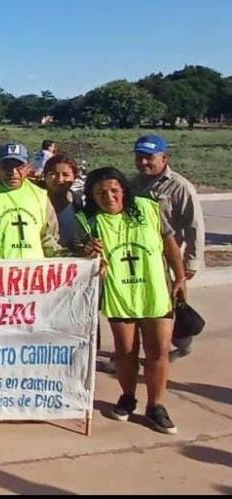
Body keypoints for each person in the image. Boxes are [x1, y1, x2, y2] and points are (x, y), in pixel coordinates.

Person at [74, 167, 186, 434]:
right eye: (100, 193)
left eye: (114, 190)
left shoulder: (149, 209)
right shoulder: (89, 221)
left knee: (158, 350)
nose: (109, 196)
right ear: (92, 196)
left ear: (124, 189)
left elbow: (169, 243)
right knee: (125, 350)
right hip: (120, 293)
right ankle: (127, 396)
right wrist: (89, 252)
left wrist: (180, 276)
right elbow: (79, 252)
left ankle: (156, 406)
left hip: (154, 290)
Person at [130, 135, 204, 361]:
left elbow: (195, 226)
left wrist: (190, 263)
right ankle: (134, 353)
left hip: (169, 260)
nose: (144, 163)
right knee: (140, 306)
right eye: (139, 157)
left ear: (164, 158)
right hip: (139, 258)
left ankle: (181, 345)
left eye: (149, 158)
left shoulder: (180, 187)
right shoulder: (133, 184)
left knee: (170, 307)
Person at [42, 154, 82, 251]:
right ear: (44, 175)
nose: (60, 179)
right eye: (53, 174)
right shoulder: (36, 201)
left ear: (74, 177)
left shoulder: (77, 202)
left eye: (65, 175)